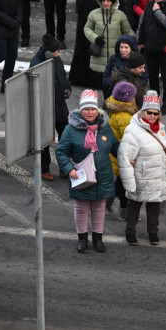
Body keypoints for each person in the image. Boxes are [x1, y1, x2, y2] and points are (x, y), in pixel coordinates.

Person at [56, 90, 119, 254]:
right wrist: (69, 169)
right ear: (80, 111)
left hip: (103, 176)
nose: (90, 112)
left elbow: (116, 148)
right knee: (81, 207)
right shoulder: (70, 130)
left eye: (92, 109)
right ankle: (82, 239)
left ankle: (98, 239)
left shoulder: (105, 128)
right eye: (86, 109)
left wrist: (128, 158)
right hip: (80, 176)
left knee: (99, 207)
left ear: (97, 110)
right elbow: (61, 152)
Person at [117, 91, 166, 246]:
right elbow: (124, 157)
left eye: (155, 113)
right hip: (140, 176)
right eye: (149, 112)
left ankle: (153, 233)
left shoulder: (161, 129)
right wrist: (129, 183)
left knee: (154, 205)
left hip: (157, 176)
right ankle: (130, 231)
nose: (152, 116)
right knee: (134, 205)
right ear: (142, 112)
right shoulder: (133, 130)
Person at [30, 34, 70, 181]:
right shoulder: (37, 63)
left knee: (65, 137)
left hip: (60, 106)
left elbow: (62, 76)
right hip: (45, 108)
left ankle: (65, 167)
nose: (58, 53)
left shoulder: (55, 59)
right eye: (56, 51)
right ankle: (44, 169)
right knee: (44, 141)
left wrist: (66, 87)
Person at [136, 0, 166, 114]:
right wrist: (140, 41)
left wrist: (157, 11)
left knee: (165, 77)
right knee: (152, 76)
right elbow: (142, 24)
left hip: (165, 48)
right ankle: (154, 101)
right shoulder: (150, 5)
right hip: (150, 47)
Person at [106, 80, 138, 219]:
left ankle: (109, 198)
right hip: (123, 154)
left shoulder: (116, 111)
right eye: (133, 96)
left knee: (120, 181)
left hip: (117, 153)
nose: (135, 98)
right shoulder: (125, 117)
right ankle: (124, 212)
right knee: (125, 184)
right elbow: (130, 137)